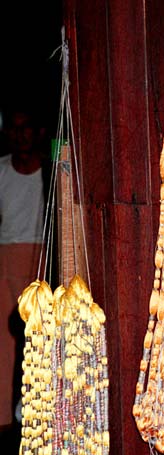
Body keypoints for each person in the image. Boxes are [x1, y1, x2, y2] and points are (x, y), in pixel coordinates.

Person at [0, 108, 45, 429]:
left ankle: (38, 419)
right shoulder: (1, 170)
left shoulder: (52, 170)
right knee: (5, 344)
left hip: (42, 261)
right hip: (6, 261)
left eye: (26, 127)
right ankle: (4, 420)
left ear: (38, 131)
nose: (21, 135)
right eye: (14, 129)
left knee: (40, 341)